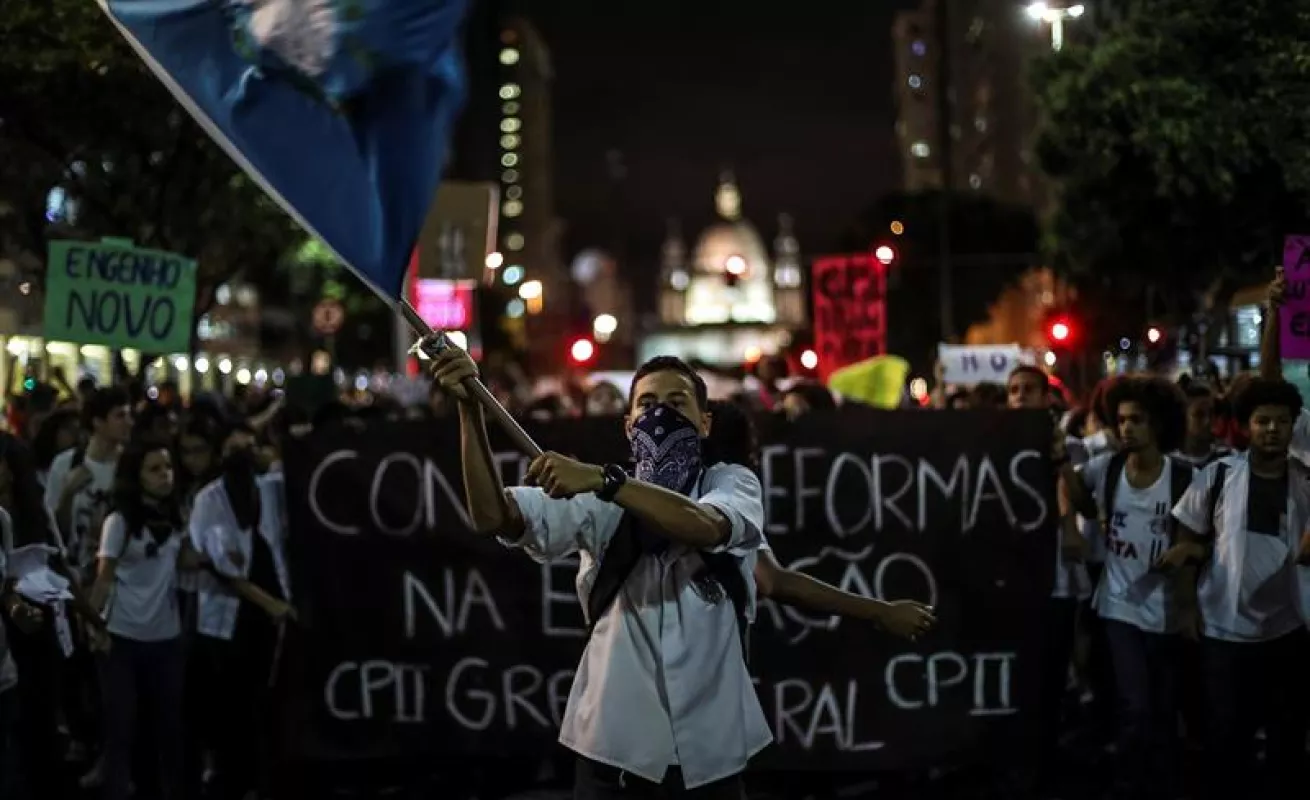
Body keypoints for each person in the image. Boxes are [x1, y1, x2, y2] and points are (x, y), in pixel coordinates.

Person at [433, 348, 768, 799]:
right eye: (647, 405)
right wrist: (470, 412)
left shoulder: (730, 484)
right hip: (615, 753)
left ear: (704, 422)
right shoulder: (595, 500)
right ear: (629, 425)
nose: (660, 415)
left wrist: (606, 482)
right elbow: (494, 517)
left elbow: (706, 526)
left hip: (711, 758)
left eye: (676, 403)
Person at [1160, 377, 1310, 800]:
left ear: (1293, 426)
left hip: (1288, 629)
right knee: (1227, 738)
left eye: (1281, 421)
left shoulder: (1305, 480)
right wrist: (1187, 609)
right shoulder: (1217, 476)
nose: (1272, 429)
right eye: (1262, 421)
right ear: (1246, 426)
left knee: (1288, 738)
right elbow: (1184, 541)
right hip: (1224, 633)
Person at [1060, 376, 1194, 799]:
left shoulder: (1184, 476)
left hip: (1168, 609)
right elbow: (1079, 497)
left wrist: (1186, 550)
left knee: (1163, 705)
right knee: (1135, 703)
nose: (1126, 429)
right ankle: (1130, 779)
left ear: (1158, 424)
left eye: (1136, 420)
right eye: (1120, 420)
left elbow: (1208, 538)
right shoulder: (1107, 468)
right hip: (1119, 606)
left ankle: (1160, 775)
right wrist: (1062, 466)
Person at [90, 437, 204, 800]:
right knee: (122, 728)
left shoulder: (176, 516)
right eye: (154, 469)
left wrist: (212, 551)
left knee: (169, 728)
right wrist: (94, 627)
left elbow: (185, 560)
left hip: (165, 639)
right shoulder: (120, 521)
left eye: (168, 468)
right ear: (135, 475)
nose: (165, 475)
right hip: (123, 637)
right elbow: (104, 576)